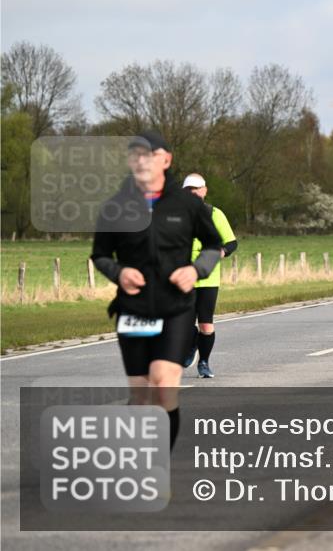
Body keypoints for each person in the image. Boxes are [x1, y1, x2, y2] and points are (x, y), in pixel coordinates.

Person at [91, 131, 223, 450]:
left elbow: (213, 244)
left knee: (163, 386)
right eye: (134, 155)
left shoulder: (187, 205)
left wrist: (195, 270)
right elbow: (100, 255)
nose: (141, 160)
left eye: (148, 154)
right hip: (133, 310)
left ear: (166, 160)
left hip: (175, 308)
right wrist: (119, 272)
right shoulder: (115, 207)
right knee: (140, 396)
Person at [180, 174, 238, 379]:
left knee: (205, 324)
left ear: (204, 191)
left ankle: (204, 362)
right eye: (189, 190)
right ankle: (191, 342)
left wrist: (220, 252)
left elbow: (231, 243)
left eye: (197, 189)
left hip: (208, 278)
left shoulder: (215, 214)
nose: (193, 193)